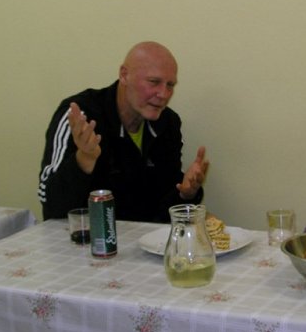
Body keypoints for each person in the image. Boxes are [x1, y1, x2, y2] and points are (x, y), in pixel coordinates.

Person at [38, 41, 209, 223]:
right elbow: (51, 204)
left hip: (142, 238)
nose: (164, 94)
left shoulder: (168, 123)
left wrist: (186, 194)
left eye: (170, 85)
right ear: (124, 75)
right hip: (85, 236)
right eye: (154, 82)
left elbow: (161, 210)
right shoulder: (80, 117)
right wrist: (83, 160)